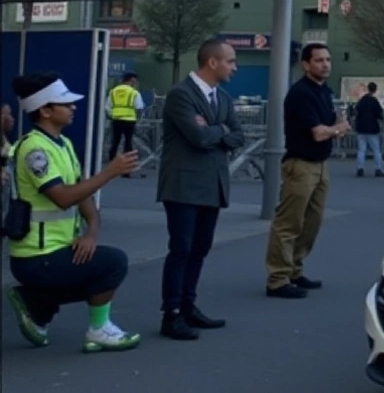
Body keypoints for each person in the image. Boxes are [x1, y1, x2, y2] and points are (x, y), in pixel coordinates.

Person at [5, 72, 142, 352]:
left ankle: (37, 304)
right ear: (45, 110)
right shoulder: (34, 149)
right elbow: (63, 198)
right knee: (114, 262)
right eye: (65, 103)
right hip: (35, 256)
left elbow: (84, 198)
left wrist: (91, 233)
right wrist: (110, 171)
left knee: (96, 261)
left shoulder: (64, 145)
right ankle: (98, 330)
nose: (73, 107)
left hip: (57, 251)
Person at [157, 39, 243, 340]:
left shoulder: (224, 98)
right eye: (230, 61)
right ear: (213, 62)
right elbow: (197, 137)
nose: (235, 67)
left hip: (212, 185)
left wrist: (215, 130)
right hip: (183, 186)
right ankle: (172, 313)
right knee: (181, 248)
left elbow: (239, 135)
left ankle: (188, 304)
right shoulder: (181, 95)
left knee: (200, 248)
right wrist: (221, 131)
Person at [265, 43, 349, 299]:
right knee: (289, 222)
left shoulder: (324, 91)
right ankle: (277, 278)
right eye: (319, 60)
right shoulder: (301, 93)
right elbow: (319, 132)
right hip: (300, 165)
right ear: (306, 64)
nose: (325, 64)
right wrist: (337, 129)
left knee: (311, 223)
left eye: (328, 60)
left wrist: (335, 127)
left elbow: (331, 125)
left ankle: (295, 270)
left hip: (321, 165)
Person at [106, 72, 145, 178]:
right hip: (129, 120)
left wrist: (113, 115)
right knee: (128, 144)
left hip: (116, 120)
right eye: (135, 81)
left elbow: (108, 107)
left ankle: (111, 167)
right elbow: (139, 107)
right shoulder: (134, 92)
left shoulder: (113, 91)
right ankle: (126, 171)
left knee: (115, 142)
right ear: (131, 80)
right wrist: (138, 119)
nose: (135, 83)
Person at [353, 82, 384, 178]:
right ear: (375, 90)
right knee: (376, 150)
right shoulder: (374, 102)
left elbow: (356, 112)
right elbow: (380, 115)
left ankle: (360, 168)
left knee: (361, 150)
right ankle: (378, 169)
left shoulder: (361, 101)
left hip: (361, 128)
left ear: (368, 89)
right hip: (372, 128)